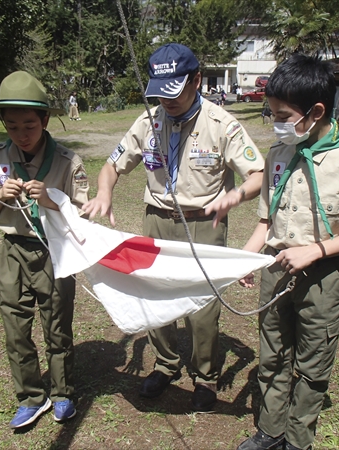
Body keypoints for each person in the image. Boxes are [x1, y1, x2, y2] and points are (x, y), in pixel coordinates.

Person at [82, 43, 264, 412]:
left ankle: (206, 376)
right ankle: (166, 364)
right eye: (160, 93)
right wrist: (104, 192)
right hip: (157, 220)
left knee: (203, 307)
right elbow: (113, 165)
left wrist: (236, 195)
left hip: (202, 225)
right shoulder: (148, 121)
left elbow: (258, 174)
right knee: (152, 294)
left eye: (175, 92)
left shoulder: (221, 124)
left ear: (196, 80)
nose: (167, 101)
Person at [236, 54, 339, 450]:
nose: (275, 123)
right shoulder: (278, 155)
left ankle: (298, 440)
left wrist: (315, 251)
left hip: (324, 278)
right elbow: (265, 222)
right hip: (275, 270)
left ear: (316, 112)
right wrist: (247, 259)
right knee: (271, 355)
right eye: (272, 114)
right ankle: (271, 430)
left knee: (311, 365)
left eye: (282, 115)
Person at [0, 71, 89, 428]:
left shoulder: (67, 161)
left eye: (29, 125)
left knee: (57, 324)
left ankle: (62, 393)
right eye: (12, 127)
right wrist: (0, 195)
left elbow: (82, 213)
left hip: (54, 250)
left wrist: (52, 199)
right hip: (12, 249)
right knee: (15, 325)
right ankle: (30, 397)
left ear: (44, 120)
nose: (21, 135)